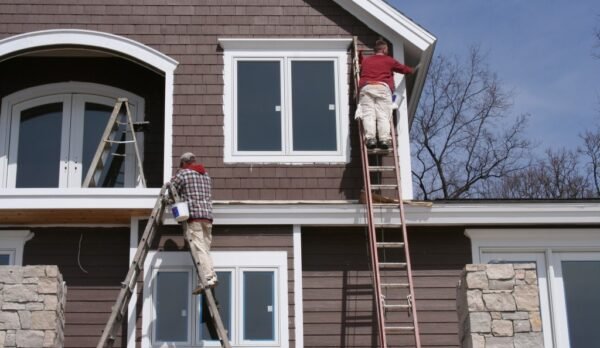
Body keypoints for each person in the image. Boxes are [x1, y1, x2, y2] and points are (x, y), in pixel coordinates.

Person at [170, 152, 217, 294]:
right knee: (205, 249)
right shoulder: (206, 175)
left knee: (199, 249)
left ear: (184, 163)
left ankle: (208, 278)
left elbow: (171, 189)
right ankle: (211, 276)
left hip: (194, 216)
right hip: (207, 217)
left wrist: (176, 175)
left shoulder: (183, 174)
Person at [356, 38, 416, 149]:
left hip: (366, 88)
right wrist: (412, 70)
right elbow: (403, 69)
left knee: (368, 114)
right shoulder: (389, 60)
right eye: (387, 49)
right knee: (383, 115)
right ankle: (383, 139)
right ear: (384, 49)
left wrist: (359, 56)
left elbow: (361, 62)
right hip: (382, 89)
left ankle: (370, 139)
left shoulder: (367, 61)